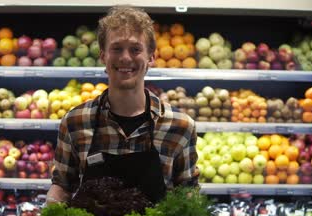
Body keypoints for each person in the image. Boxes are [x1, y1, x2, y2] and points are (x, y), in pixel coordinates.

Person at [46, 5, 198, 205]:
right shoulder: (75, 122)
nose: (125, 57)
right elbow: (62, 186)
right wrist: (52, 212)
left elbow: (188, 192)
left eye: (135, 49)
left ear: (151, 57)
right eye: (116, 48)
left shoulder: (180, 126)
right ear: (103, 56)